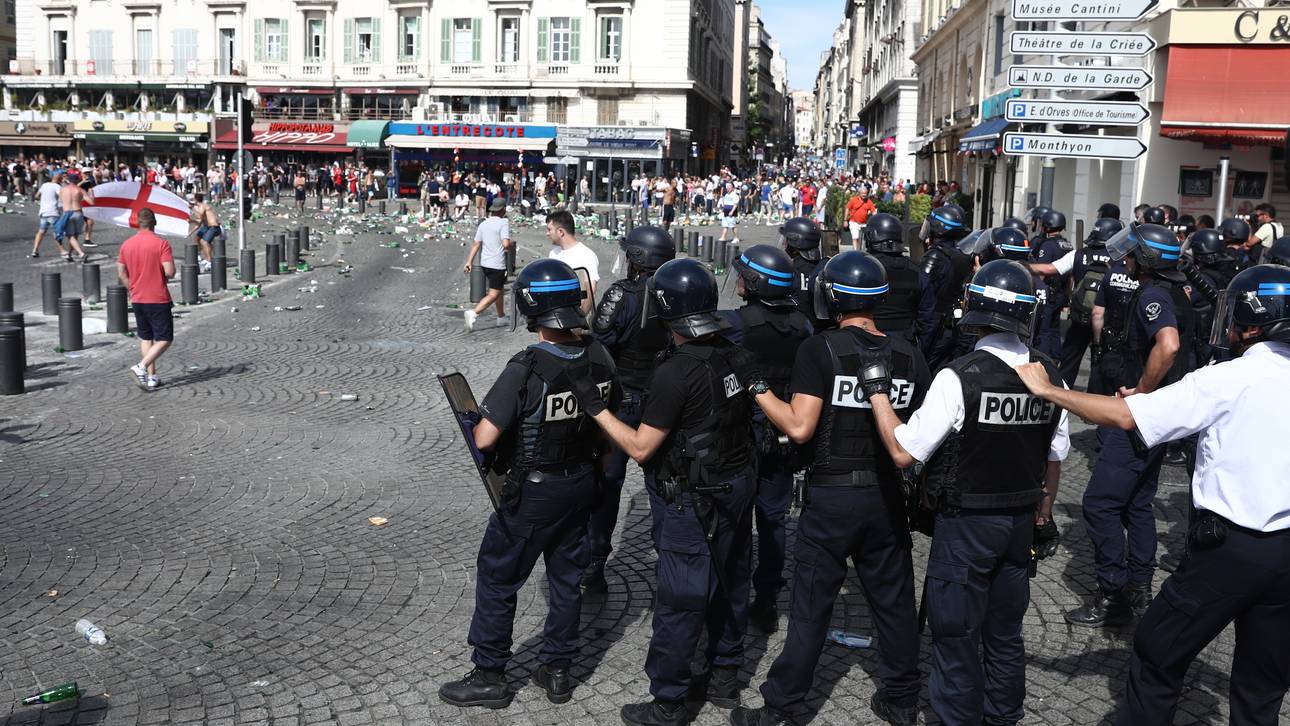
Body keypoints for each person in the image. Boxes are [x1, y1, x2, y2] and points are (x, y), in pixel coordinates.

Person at [1011, 263, 1290, 725]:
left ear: (1253, 323)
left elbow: (1127, 416)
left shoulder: (1230, 378)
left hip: (1229, 550)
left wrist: (1047, 390)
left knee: (1156, 651)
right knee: (1263, 685)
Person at [869, 259, 1070, 725]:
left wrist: (880, 397)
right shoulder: (1051, 375)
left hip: (967, 526)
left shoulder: (959, 375)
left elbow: (904, 452)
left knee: (956, 635)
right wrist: (1042, 515)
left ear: (974, 308)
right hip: (1021, 521)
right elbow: (1054, 459)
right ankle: (1003, 717)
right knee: (1005, 634)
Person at [733, 251, 926, 726]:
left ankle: (781, 706)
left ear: (831, 296)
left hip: (832, 498)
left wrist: (758, 388)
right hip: (886, 497)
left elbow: (799, 428)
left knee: (811, 608)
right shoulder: (909, 353)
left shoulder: (820, 349)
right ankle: (902, 699)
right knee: (895, 604)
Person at [573, 258, 756, 726]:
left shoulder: (675, 373)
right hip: (736, 485)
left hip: (693, 499)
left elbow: (640, 446)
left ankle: (669, 700)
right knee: (731, 581)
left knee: (681, 596)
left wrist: (597, 410)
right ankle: (724, 677)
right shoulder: (735, 352)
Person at [437, 259, 618, 711]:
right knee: (566, 578)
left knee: (499, 576)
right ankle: (557, 669)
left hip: (534, 492)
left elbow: (485, 437)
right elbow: (608, 431)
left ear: (529, 306)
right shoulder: (600, 356)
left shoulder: (526, 366)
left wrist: (473, 416)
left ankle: (490, 674)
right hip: (582, 482)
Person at [1067, 222, 1195, 627]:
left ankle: (1112, 594)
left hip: (1143, 415)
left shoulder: (1153, 294)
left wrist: (1142, 390)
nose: (1124, 260)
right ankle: (1140, 589)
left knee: (1100, 504)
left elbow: (1169, 345)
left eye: (1131, 254)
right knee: (1138, 503)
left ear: (1146, 260)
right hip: (1167, 414)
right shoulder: (1180, 291)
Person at [719, 245, 814, 634]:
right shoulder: (804, 325)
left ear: (753, 283)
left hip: (741, 436)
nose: (738, 279)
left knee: (737, 521)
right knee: (773, 521)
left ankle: (732, 598)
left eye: (743, 274)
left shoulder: (736, 324)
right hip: (781, 434)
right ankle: (768, 599)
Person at [581, 225, 677, 593]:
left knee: (607, 484)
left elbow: (598, 343)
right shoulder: (678, 292)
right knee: (663, 484)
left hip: (623, 403)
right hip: (663, 400)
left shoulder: (623, 294)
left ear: (637, 259)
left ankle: (595, 562)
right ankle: (668, 563)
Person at [1028, 216, 1122, 386]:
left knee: (1069, 362)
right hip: (1108, 322)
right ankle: (1095, 402)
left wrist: (1020, 264)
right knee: (1100, 364)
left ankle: (1059, 397)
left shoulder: (1080, 254)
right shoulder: (1120, 259)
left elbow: (1049, 269)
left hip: (1080, 318)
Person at [116, 208, 176, 391]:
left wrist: (131, 288)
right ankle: (141, 367)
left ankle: (152, 377)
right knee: (165, 338)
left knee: (146, 337)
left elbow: (121, 273)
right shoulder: (161, 244)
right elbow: (170, 272)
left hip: (137, 297)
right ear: (154, 223)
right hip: (157, 297)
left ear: (137, 223)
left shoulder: (126, 245)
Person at [865, 212, 935, 345]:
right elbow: (927, 320)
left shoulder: (862, 267)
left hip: (868, 341)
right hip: (905, 344)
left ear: (870, 237)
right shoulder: (916, 270)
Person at [919, 204, 973, 370]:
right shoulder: (962, 256)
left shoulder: (935, 256)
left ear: (938, 229)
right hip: (952, 326)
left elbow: (922, 291)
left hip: (934, 328)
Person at [463, 198, 513, 332]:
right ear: (503, 209)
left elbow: (476, 244)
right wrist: (510, 245)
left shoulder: (483, 224)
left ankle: (501, 317)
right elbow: (506, 244)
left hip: (485, 263)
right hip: (497, 264)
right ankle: (474, 313)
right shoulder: (504, 223)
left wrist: (469, 262)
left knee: (499, 290)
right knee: (493, 294)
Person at [1029, 209, 1069, 358]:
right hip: (1060, 294)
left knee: (1043, 330)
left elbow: (1042, 273)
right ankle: (1055, 358)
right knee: (1055, 330)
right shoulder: (1067, 245)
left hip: (1048, 294)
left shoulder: (1048, 245)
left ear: (1047, 226)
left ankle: (1043, 360)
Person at [546, 210, 600, 308]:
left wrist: (581, 318)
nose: (547, 234)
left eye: (549, 229)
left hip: (577, 316)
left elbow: (590, 293)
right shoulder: (553, 253)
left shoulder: (586, 255)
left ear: (560, 232)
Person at [781, 217, 826, 325]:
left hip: (795, 329)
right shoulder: (825, 268)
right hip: (821, 329)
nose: (783, 244)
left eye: (786, 240)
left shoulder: (788, 269)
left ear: (794, 242)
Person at [56, 172, 91, 263]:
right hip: (78, 212)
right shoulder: (80, 190)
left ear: (68, 180)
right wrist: (91, 194)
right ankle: (70, 255)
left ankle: (81, 254)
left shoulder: (63, 190)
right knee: (75, 235)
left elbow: (60, 199)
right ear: (78, 180)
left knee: (70, 235)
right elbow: (91, 202)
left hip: (67, 213)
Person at [30, 171, 65, 259]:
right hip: (53, 211)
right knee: (57, 232)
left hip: (43, 211)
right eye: (61, 176)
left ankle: (35, 250)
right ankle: (62, 251)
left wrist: (45, 198)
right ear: (58, 177)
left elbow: (37, 196)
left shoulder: (44, 185)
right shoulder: (57, 186)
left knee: (41, 232)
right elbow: (62, 197)